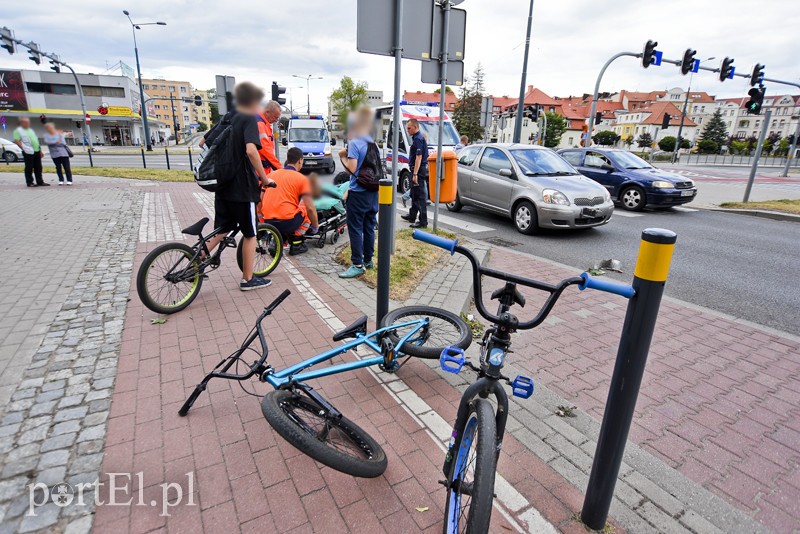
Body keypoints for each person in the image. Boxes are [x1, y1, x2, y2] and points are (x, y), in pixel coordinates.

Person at [199, 81, 276, 291]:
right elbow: (252, 151)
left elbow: (202, 143)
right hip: (242, 188)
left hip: (222, 185)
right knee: (251, 234)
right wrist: (265, 178)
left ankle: (194, 261)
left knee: (221, 230)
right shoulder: (249, 118)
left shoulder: (226, 118)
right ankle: (248, 279)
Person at [338, 107, 379, 278]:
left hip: (358, 193)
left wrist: (342, 157)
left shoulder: (355, 143)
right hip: (373, 192)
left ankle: (357, 264)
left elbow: (351, 170)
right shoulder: (372, 143)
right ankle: (368, 260)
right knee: (369, 227)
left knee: (355, 229)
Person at [260, 147, 319, 256]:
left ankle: (277, 240)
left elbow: (260, 200)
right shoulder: (302, 179)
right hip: (287, 222)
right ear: (300, 160)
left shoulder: (271, 175)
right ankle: (297, 243)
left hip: (268, 221)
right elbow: (310, 208)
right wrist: (315, 227)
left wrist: (262, 221)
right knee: (305, 209)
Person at [401, 118, 428, 228]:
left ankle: (423, 222)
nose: (407, 130)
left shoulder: (418, 139)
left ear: (415, 127)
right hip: (416, 169)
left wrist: (415, 174)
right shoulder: (417, 138)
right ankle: (412, 216)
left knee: (420, 196)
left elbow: (419, 157)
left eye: (409, 128)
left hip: (418, 170)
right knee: (414, 194)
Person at [14, 117, 49, 187]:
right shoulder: (17, 131)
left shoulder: (30, 130)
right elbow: (17, 141)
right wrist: (24, 149)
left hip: (36, 151)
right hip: (28, 152)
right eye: (25, 122)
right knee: (29, 167)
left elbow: (36, 141)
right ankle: (29, 182)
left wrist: (40, 151)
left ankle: (40, 181)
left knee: (38, 167)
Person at [257, 101, 283, 176]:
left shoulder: (264, 124)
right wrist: (280, 169)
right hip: (259, 172)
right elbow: (265, 149)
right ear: (267, 112)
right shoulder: (260, 124)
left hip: (261, 170)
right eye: (275, 117)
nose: (276, 120)